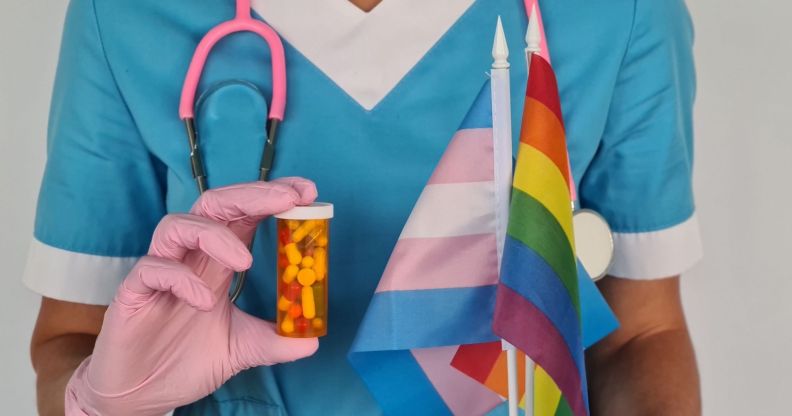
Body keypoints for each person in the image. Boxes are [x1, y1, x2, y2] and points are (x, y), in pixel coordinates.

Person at [26, 0, 703, 414]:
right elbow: (69, 336)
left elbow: (641, 334)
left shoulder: (617, 12)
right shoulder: (123, 15)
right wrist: (104, 402)